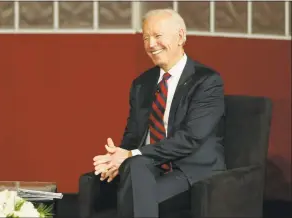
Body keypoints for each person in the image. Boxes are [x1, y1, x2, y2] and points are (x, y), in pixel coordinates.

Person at [92, 8, 226, 218]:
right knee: (131, 170)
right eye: (146, 38)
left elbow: (191, 139)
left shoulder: (206, 81)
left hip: (190, 168)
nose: (151, 44)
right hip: (147, 166)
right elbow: (132, 136)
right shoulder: (142, 84)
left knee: (134, 182)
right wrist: (117, 158)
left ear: (181, 36)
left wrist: (131, 155)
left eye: (157, 36)